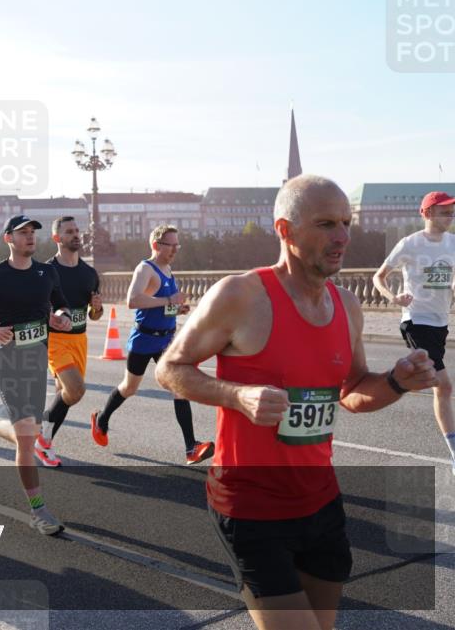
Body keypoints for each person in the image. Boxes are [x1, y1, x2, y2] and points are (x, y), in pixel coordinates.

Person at [155, 175, 437, 630]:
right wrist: (236, 395)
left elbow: (352, 391)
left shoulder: (347, 305)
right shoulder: (241, 295)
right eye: (326, 224)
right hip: (250, 505)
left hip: (320, 501)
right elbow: (170, 368)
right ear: (285, 230)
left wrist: (397, 382)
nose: (343, 236)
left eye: (346, 222)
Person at [0, 215, 73, 535]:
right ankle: (39, 510)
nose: (30, 237)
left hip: (37, 361)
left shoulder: (47, 272)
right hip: (8, 363)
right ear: (9, 238)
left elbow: (61, 305)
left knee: (29, 434)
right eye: (23, 233)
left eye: (33, 232)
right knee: (26, 436)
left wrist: (60, 318)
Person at [91, 224, 215, 465]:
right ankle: (102, 420)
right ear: (157, 245)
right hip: (144, 339)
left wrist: (177, 308)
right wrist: (169, 299)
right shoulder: (145, 268)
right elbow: (132, 300)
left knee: (180, 387)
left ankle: (191, 447)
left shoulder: (168, 269)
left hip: (166, 340)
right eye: (172, 245)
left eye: (178, 245)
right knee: (129, 388)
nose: (176, 249)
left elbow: (161, 304)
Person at [373, 191, 455, 474]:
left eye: (451, 211)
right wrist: (392, 298)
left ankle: (396, 380)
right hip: (415, 320)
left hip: (440, 323)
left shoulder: (453, 244)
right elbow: (378, 276)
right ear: (427, 213)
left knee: (437, 386)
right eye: (444, 211)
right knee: (444, 385)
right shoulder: (409, 244)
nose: (450, 215)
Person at [34, 216, 103, 467]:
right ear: (57, 238)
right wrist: (50, 317)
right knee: (76, 390)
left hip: (79, 340)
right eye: (69, 232)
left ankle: (43, 439)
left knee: (64, 395)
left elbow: (96, 315)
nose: (76, 235)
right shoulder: (45, 271)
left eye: (77, 230)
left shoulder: (89, 273)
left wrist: (96, 309)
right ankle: (41, 440)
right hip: (54, 341)